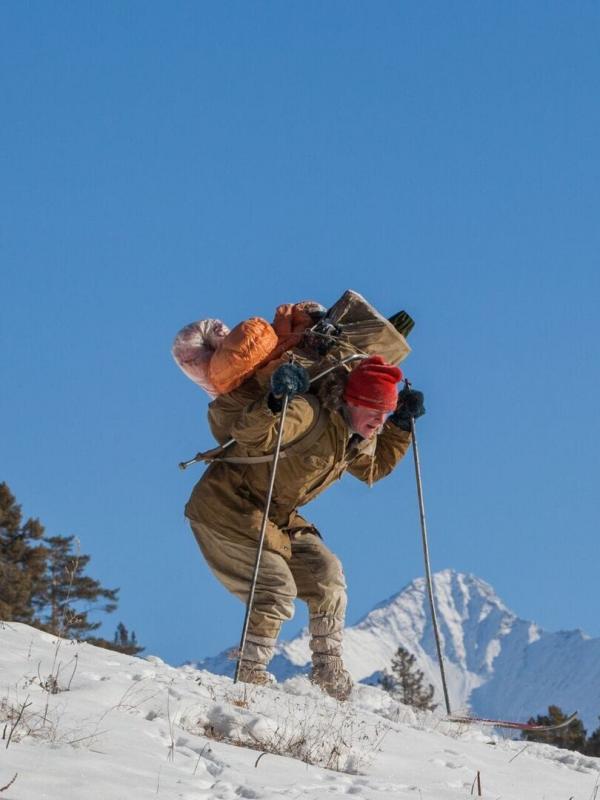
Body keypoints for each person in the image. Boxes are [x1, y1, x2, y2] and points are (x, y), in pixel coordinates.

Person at [185, 355, 425, 700]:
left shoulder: (354, 435)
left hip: (276, 515)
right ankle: (250, 674)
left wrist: (401, 426)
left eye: (386, 411)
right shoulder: (308, 414)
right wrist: (274, 402)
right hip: (227, 506)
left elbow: (375, 469)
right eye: (375, 409)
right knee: (275, 587)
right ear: (350, 400)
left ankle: (328, 673)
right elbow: (251, 437)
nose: (380, 419)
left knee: (327, 575)